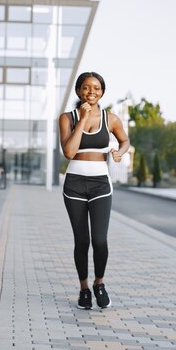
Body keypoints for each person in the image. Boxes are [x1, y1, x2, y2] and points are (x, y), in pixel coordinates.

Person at [59, 71, 130, 310]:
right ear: (79, 91)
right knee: (82, 240)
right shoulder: (67, 118)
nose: (92, 92)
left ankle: (100, 283)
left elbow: (125, 141)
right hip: (74, 185)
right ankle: (84, 289)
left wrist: (121, 152)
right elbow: (69, 152)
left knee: (99, 240)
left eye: (97, 88)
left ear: (102, 92)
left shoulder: (110, 119)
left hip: (101, 183)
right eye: (87, 88)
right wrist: (82, 120)